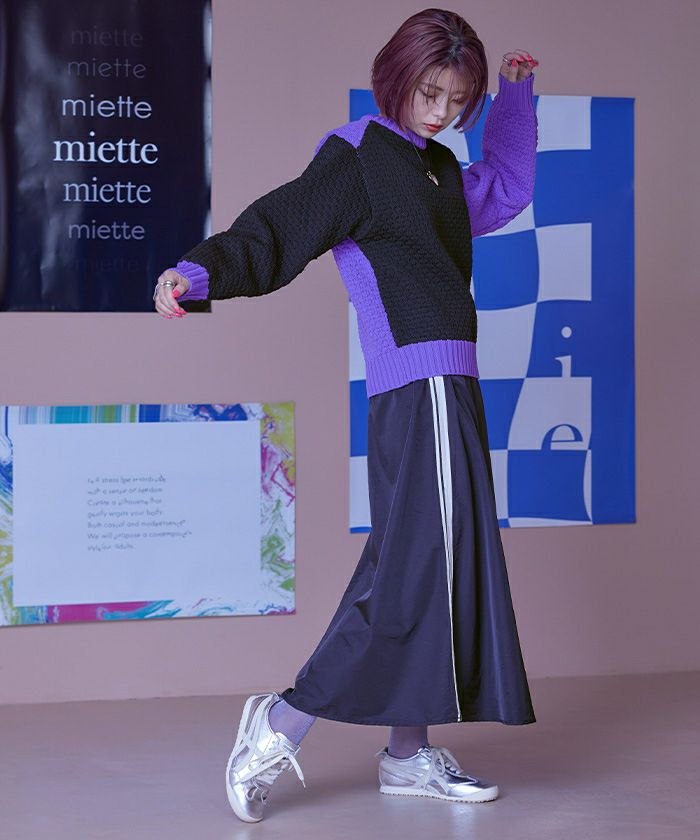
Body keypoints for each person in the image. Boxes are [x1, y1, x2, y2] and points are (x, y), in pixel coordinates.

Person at [153, 7, 540, 824]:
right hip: (417, 389)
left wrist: (511, 100)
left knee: (431, 568)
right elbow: (283, 224)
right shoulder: (360, 154)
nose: (440, 113)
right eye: (429, 93)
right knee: (413, 570)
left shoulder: (437, 168)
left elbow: (504, 189)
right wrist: (200, 271)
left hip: (452, 385)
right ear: (395, 77)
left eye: (457, 101)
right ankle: (281, 721)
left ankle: (406, 753)